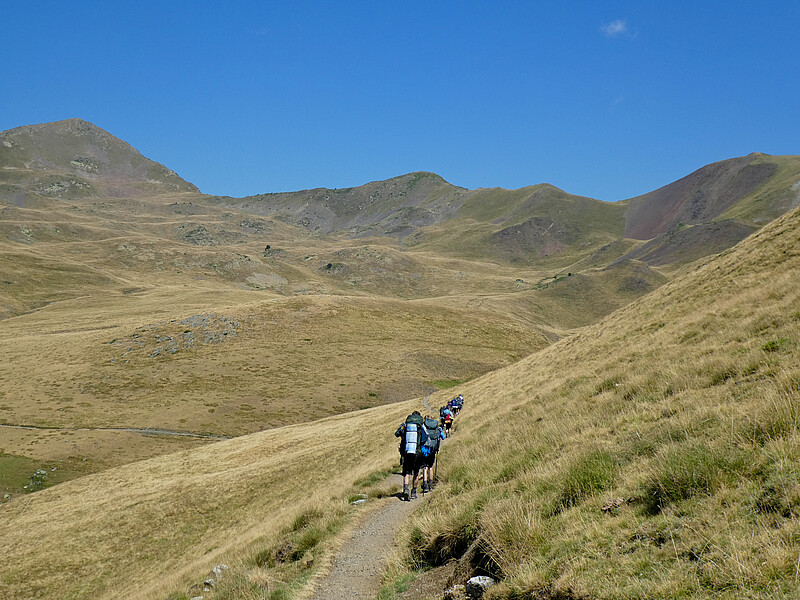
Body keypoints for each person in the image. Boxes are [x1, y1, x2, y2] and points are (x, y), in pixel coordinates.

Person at [395, 410, 427, 500]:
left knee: (407, 472)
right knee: (416, 473)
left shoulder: (406, 425)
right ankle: (413, 491)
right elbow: (425, 439)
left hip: (407, 452)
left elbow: (397, 434)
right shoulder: (421, 427)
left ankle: (405, 489)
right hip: (418, 453)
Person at [420, 414, 445, 492]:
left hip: (424, 450)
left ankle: (425, 484)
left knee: (425, 467)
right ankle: (431, 483)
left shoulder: (423, 427)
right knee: (431, 467)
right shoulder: (437, 427)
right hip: (433, 450)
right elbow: (443, 437)